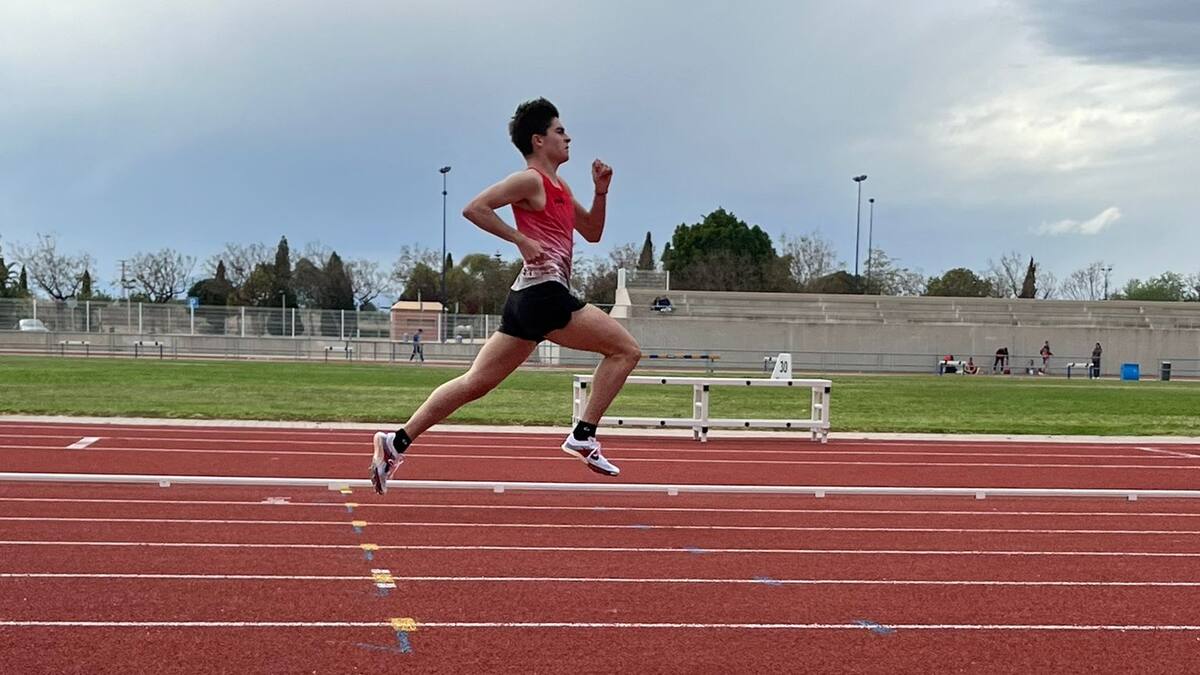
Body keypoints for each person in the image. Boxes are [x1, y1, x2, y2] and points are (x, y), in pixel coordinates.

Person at [369, 98, 640, 494]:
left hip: (529, 298)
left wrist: (601, 193)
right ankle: (583, 434)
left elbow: (593, 232)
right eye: (560, 131)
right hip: (545, 295)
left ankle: (395, 442)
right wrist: (520, 238)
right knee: (625, 350)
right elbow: (474, 208)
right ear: (538, 140)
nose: (568, 137)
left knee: (475, 382)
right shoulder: (529, 180)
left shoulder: (560, 186)